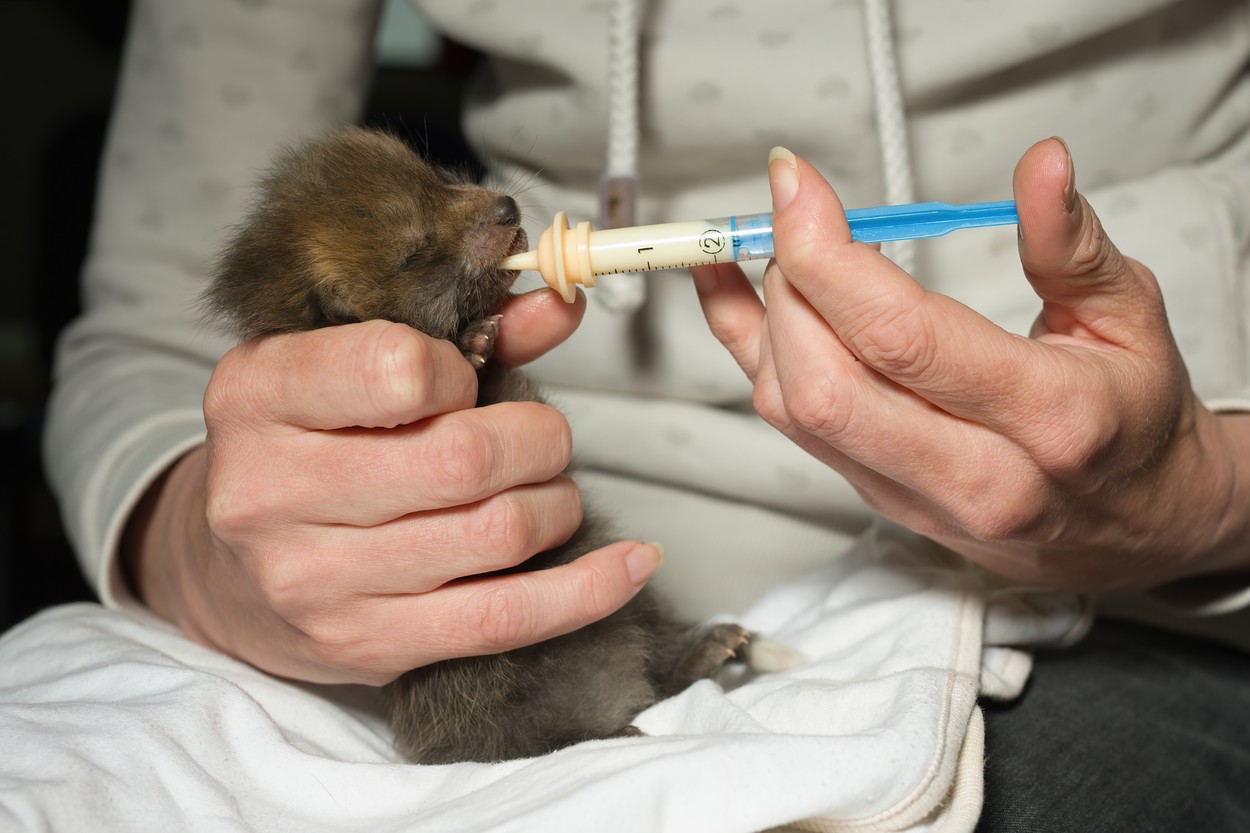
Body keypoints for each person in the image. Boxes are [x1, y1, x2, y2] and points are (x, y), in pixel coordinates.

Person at [5, 0, 1248, 830]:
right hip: (395, 636)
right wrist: (209, 553)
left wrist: (1202, 498)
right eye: (434, 226)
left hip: (1131, 600)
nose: (486, 206)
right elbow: (152, 333)